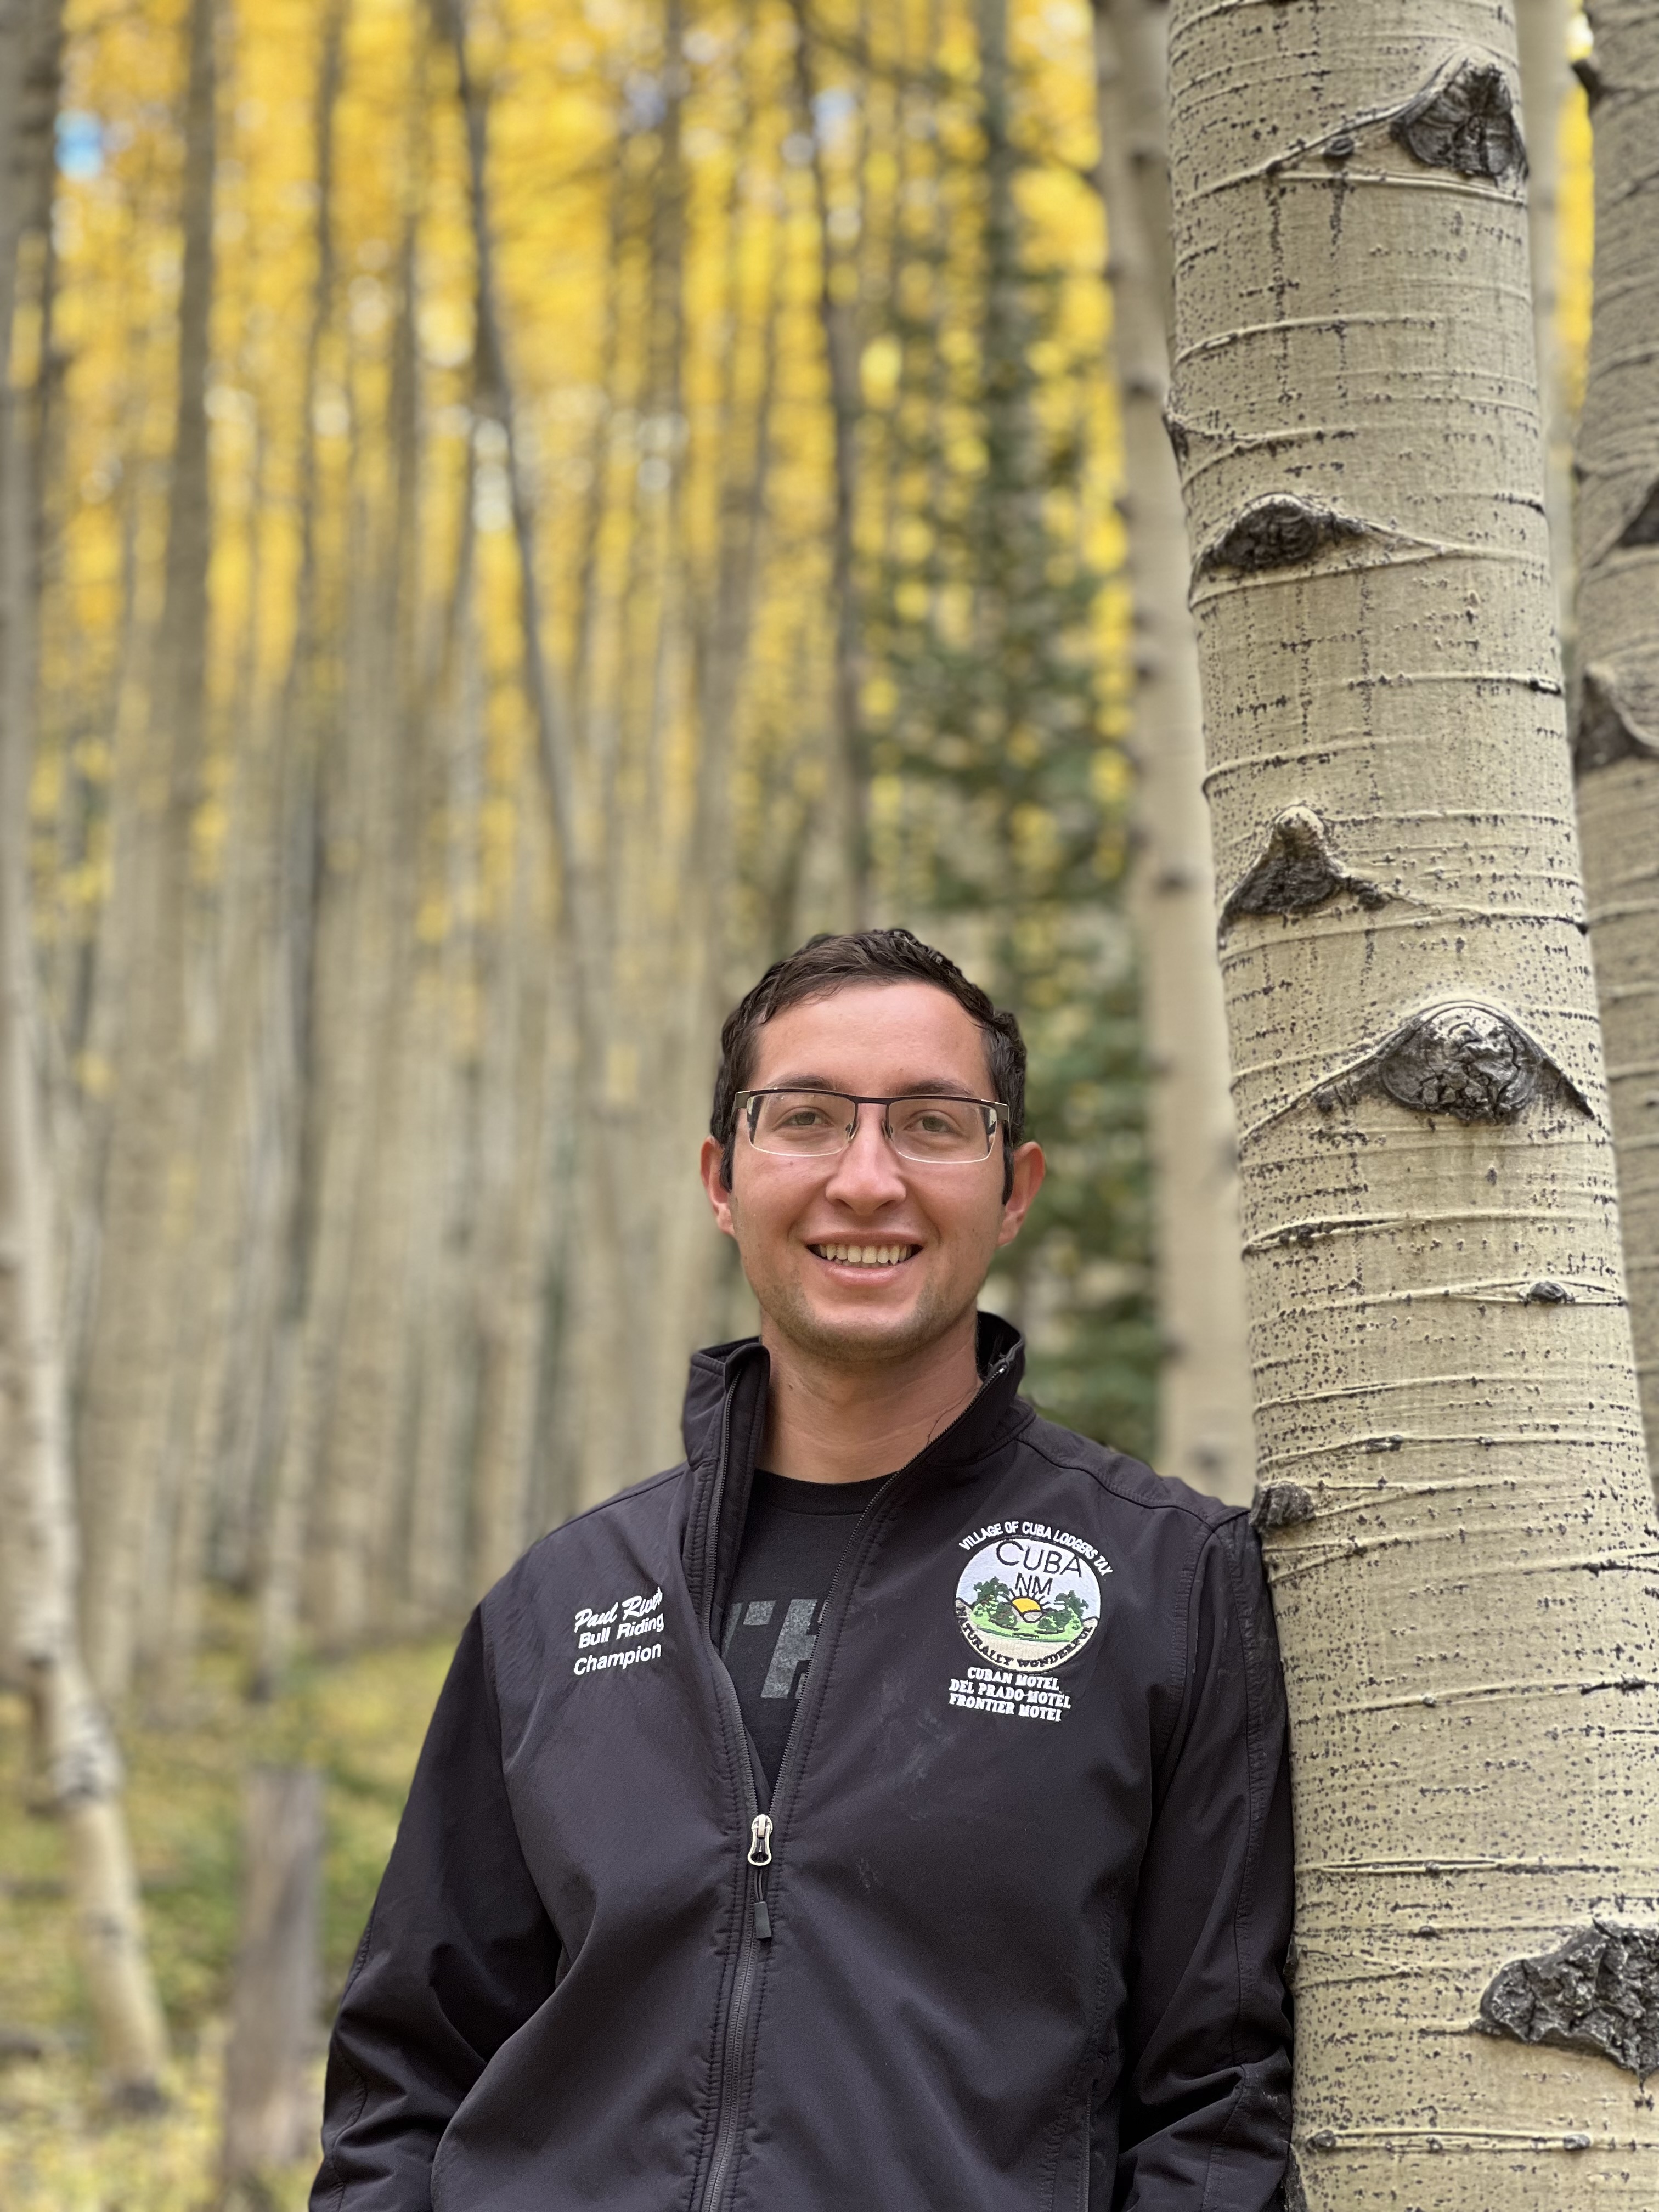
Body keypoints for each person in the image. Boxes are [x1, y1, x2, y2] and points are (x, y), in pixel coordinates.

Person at [312, 927, 1293, 2211]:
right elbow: (405, 2076)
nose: (867, 1179)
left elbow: (1218, 2106)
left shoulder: (1169, 1585)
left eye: (935, 1124)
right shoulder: (560, 1602)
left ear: (1015, 1185)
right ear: (724, 1178)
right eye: (810, 1120)